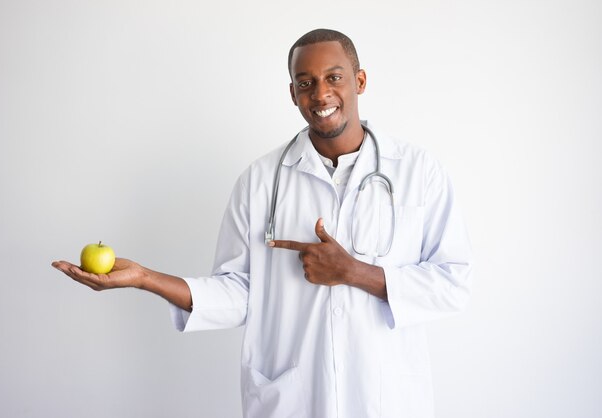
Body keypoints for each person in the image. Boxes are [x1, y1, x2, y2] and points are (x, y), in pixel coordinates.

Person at [52, 28, 472, 418]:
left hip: (384, 397)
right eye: (305, 82)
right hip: (295, 398)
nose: (320, 92)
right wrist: (145, 278)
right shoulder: (261, 180)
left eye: (334, 77)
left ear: (359, 81)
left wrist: (354, 272)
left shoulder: (418, 172)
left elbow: (452, 284)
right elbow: (238, 292)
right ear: (293, 93)